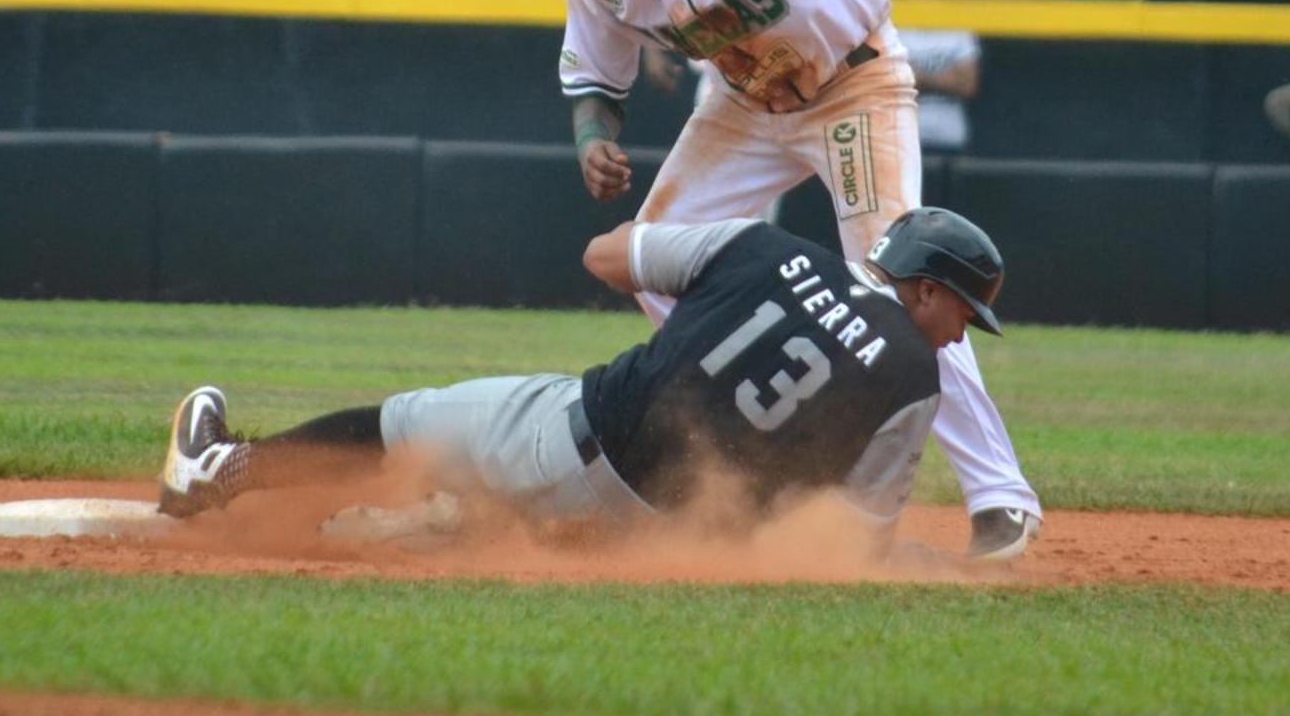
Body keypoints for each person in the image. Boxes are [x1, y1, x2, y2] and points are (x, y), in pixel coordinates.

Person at [558, 0, 1040, 561]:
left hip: (851, 84)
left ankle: (1000, 497)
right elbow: (595, 82)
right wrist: (591, 139)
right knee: (654, 257)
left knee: (903, 285)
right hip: (743, 105)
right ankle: (739, 447)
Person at [158, 207, 1027, 561]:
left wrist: (706, 306)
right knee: (526, 514)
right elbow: (858, 537)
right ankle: (438, 525)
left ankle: (218, 471)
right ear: (924, 288)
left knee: (407, 422)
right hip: (669, 538)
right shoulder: (914, 375)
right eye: (964, 311)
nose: (961, 333)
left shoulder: (766, 246)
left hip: (574, 439)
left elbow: (606, 256)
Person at [897, 0, 981, 154]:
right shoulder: (896, 31)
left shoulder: (958, 31)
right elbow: (892, 84)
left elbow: (967, 85)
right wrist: (946, 77)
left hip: (949, 136)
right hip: (905, 136)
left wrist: (922, 78)